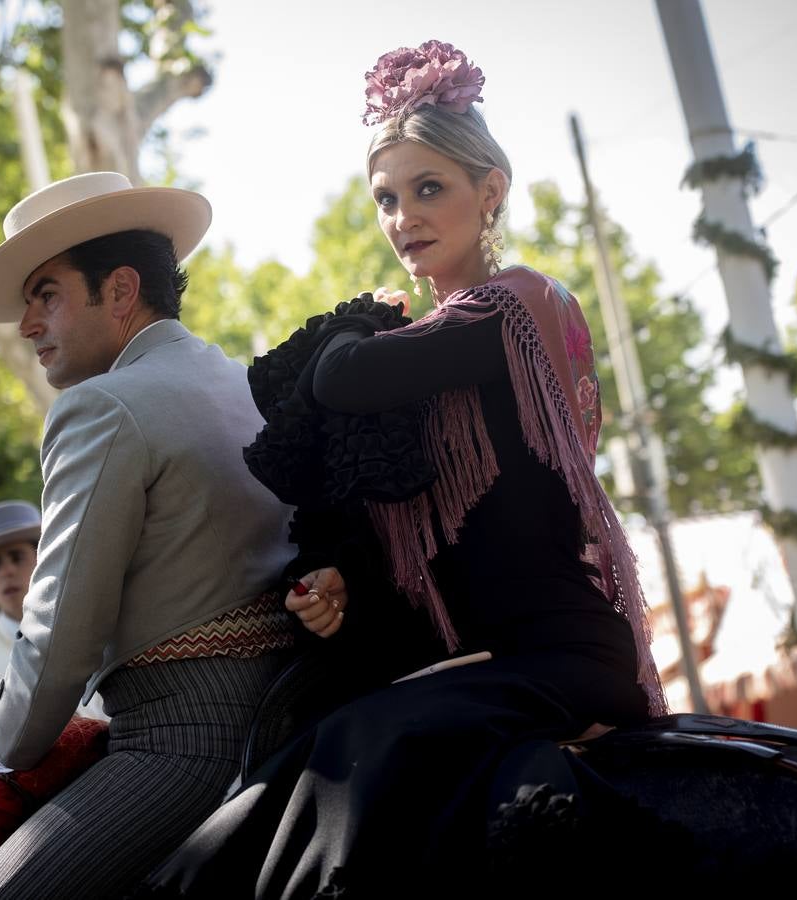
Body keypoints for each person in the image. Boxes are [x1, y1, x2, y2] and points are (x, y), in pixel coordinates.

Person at [139, 40, 666, 898]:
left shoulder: (518, 305)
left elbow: (343, 378)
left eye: (430, 189)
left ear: (489, 190)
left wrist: (353, 320)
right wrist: (342, 580)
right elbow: (449, 521)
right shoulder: (443, 341)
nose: (403, 217)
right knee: (308, 746)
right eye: (387, 197)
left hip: (559, 657)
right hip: (481, 660)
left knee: (361, 749)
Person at [0, 172, 297, 899]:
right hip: (292, 712)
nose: (26, 324)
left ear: (119, 290)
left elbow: (59, 639)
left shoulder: (101, 407)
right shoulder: (248, 382)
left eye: (46, 293)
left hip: (183, 745)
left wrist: (3, 750)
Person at [0, 500, 106, 771]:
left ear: (47, 561)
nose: (7, 571)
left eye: (16, 557)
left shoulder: (99, 628)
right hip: (20, 802)